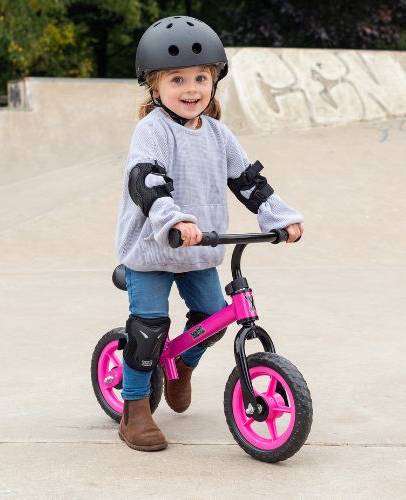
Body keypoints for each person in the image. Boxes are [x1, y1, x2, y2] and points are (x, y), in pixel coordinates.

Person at [114, 15, 304, 452]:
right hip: (153, 251)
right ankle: (135, 409)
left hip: (199, 251)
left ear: (214, 82)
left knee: (214, 317)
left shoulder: (219, 134)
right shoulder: (152, 131)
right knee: (149, 329)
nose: (191, 88)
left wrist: (278, 217)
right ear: (154, 87)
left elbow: (249, 182)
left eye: (201, 77)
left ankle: (181, 364)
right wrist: (174, 221)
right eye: (177, 79)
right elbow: (147, 182)